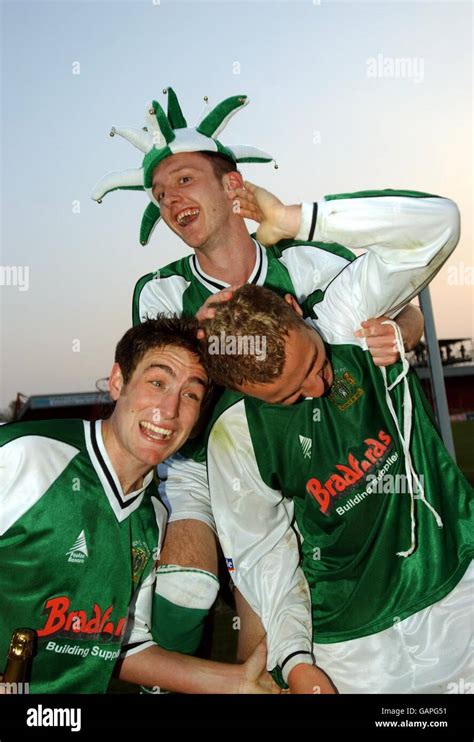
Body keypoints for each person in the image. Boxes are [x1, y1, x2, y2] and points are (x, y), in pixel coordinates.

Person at [92, 87, 425, 681]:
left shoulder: (307, 260)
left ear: (233, 186)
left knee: (285, 625)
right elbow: (172, 387)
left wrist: (400, 330)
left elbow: (403, 311)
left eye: (185, 180)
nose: (171, 200)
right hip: (209, 460)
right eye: (160, 195)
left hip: (314, 438)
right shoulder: (161, 292)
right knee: (188, 592)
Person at [191, 192, 473, 693]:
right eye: (290, 395)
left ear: (294, 308)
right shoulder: (234, 433)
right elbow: (264, 554)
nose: (318, 389)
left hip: (454, 581)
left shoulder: (345, 313)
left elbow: (439, 224)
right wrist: (297, 659)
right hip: (349, 643)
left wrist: (293, 219)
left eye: (315, 364)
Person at [0, 317, 277, 694]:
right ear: (118, 382)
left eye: (191, 394)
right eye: (158, 383)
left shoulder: (153, 518)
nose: (170, 408)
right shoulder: (25, 455)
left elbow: (120, 646)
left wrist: (237, 681)